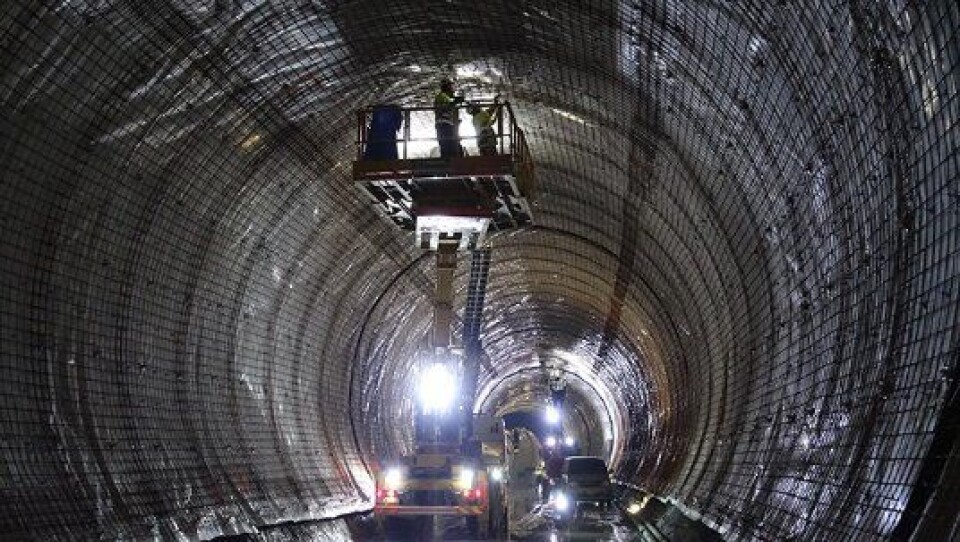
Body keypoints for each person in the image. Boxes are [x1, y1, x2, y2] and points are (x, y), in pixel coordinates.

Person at [434, 79, 464, 158]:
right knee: (448, 147)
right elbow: (448, 103)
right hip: (444, 125)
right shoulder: (441, 96)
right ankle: (449, 165)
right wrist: (456, 100)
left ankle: (451, 164)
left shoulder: (443, 96)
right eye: (451, 87)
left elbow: (451, 101)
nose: (452, 89)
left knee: (452, 147)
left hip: (446, 125)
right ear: (447, 87)